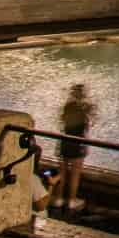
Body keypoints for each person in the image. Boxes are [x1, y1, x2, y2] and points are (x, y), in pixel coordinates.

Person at [37, 85, 93, 214]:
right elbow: (88, 125)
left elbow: (62, 121)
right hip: (78, 142)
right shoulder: (84, 108)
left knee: (61, 171)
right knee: (75, 172)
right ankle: (72, 200)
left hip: (64, 141)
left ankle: (58, 198)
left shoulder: (68, 107)